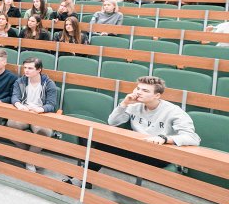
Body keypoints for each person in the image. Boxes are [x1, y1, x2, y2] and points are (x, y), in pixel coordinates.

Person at [64, 76, 200, 188]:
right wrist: (124, 103)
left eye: (145, 90)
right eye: (138, 88)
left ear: (157, 95)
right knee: (95, 139)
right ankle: (84, 177)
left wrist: (164, 138)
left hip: (159, 154)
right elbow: (112, 122)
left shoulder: (173, 111)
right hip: (136, 147)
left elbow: (193, 138)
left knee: (104, 147)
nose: (139, 92)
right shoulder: (134, 105)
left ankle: (83, 176)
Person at [7, 58, 58, 172]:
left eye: (30, 68)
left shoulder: (49, 84)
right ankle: (32, 159)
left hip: (40, 114)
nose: (26, 71)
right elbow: (15, 97)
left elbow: (52, 105)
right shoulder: (20, 81)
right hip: (24, 112)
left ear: (39, 69)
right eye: (25, 68)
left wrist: (40, 109)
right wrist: (19, 104)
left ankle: (29, 160)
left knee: (44, 132)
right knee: (11, 126)